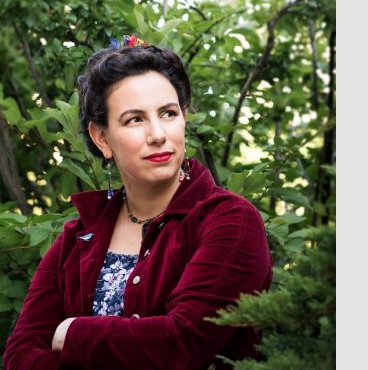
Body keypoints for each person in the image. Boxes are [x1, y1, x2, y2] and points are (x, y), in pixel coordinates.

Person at [3, 35, 272, 369]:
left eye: (168, 113)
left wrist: (73, 333)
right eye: (135, 119)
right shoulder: (77, 239)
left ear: (184, 118)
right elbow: (20, 355)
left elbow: (181, 346)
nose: (158, 133)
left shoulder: (230, 221)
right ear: (102, 138)